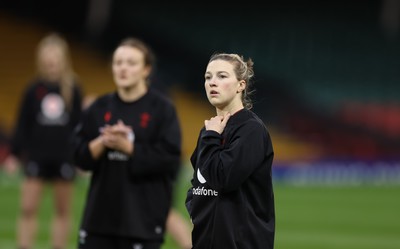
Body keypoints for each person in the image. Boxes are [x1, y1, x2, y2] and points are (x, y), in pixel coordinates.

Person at [73, 37, 189, 249]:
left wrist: (130, 148)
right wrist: (103, 141)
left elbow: (170, 159)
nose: (123, 68)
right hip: (98, 223)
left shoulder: (162, 109)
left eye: (131, 63)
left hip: (142, 225)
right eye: (118, 62)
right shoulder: (99, 107)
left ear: (146, 69)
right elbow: (79, 157)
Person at [185, 53, 275, 248]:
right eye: (208, 77)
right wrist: (195, 208)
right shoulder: (210, 129)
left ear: (241, 85)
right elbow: (199, 179)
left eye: (222, 76)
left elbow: (224, 179)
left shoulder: (251, 129)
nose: (212, 83)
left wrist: (211, 138)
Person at [3, 33, 83, 249]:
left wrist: (80, 157)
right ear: (41, 60)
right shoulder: (33, 89)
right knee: (28, 208)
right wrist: (14, 155)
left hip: (63, 158)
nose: (51, 63)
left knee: (62, 210)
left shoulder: (73, 89)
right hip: (36, 157)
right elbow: (22, 125)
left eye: (55, 59)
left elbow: (79, 126)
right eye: (47, 59)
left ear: (62, 59)